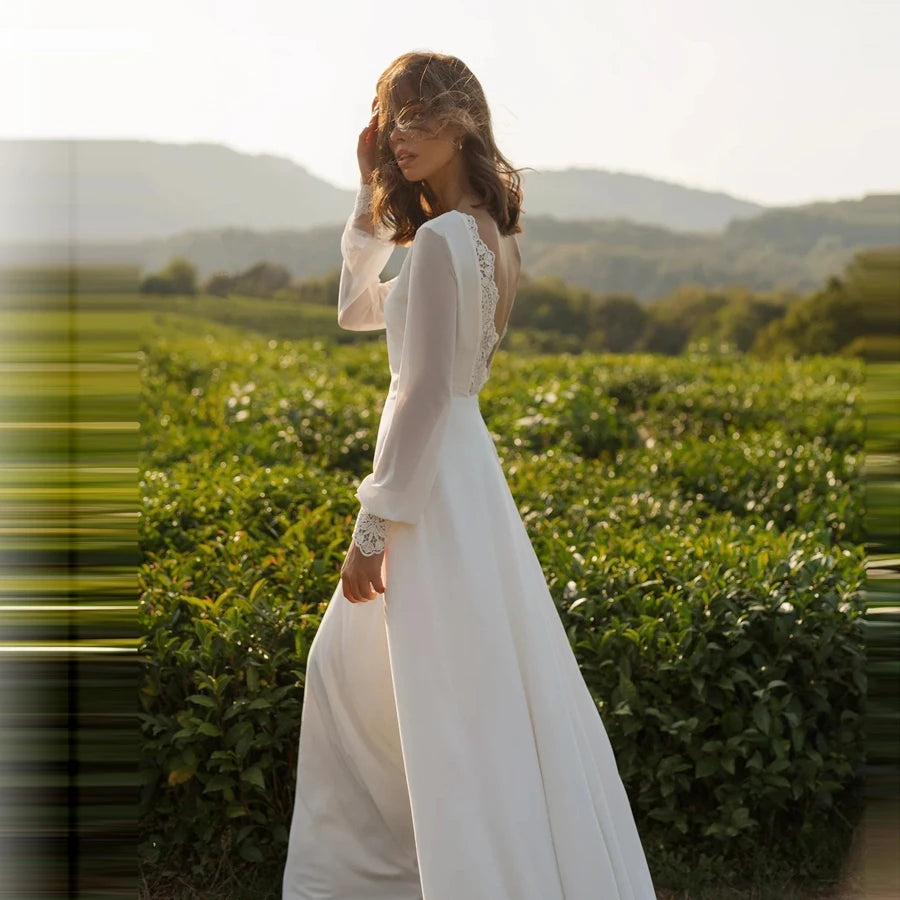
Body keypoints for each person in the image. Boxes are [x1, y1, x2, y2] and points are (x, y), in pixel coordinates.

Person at [282, 51, 657, 900]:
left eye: (417, 118)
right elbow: (354, 308)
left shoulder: (451, 239)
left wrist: (372, 530)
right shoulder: (482, 234)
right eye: (390, 118)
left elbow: (418, 397)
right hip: (461, 479)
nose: (399, 135)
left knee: (404, 692)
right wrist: (365, 189)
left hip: (434, 486)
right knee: (447, 689)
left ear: (462, 125)